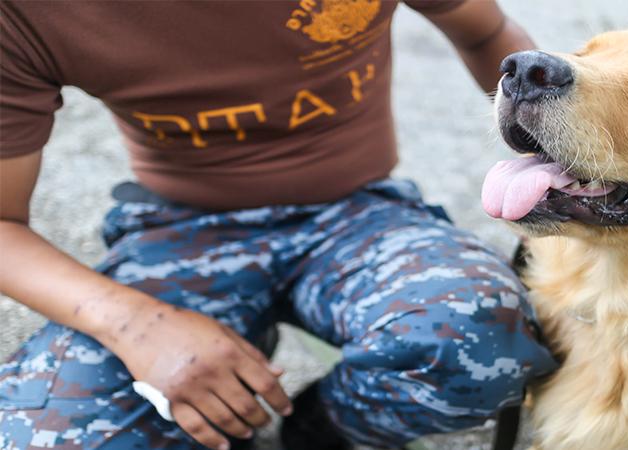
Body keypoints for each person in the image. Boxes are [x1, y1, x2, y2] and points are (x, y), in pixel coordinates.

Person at [0, 1, 557, 449]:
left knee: (485, 337)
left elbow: (486, 31)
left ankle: (319, 430)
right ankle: (219, 412)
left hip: (357, 211)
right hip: (184, 228)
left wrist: (555, 171)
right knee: (46, 435)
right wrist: (136, 327)